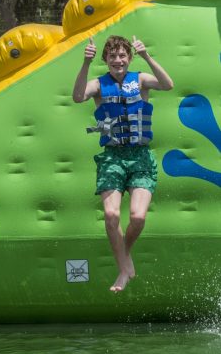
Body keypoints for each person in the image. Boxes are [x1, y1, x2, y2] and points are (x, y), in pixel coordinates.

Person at [72, 35, 173, 292]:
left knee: (138, 217)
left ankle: (125, 255)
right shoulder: (98, 84)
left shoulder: (140, 80)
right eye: (112, 56)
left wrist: (147, 55)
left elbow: (167, 84)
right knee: (111, 214)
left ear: (129, 58)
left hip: (140, 157)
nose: (118, 60)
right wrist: (85, 63)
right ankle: (122, 270)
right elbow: (77, 96)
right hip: (112, 157)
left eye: (122, 56)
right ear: (105, 59)